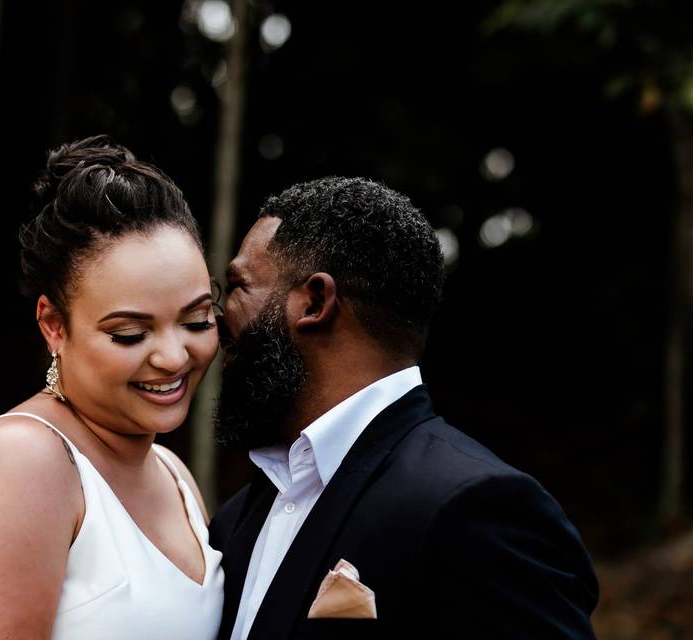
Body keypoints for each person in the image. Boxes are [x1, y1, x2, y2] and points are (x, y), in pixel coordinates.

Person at [209, 176, 599, 639]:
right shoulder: (237, 518)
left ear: (314, 301)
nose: (216, 318)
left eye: (237, 287)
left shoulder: (476, 509)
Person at [0, 135, 224, 639]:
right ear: (54, 326)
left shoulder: (173, 474)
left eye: (196, 320)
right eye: (130, 333)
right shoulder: (19, 461)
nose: (173, 357)